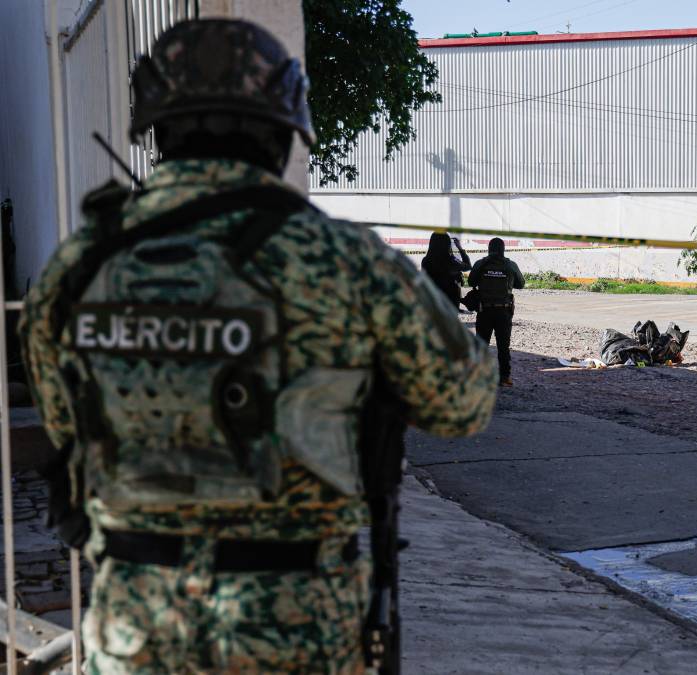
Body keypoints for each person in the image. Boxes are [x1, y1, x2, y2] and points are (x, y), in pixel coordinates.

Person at [18, 19, 496, 674]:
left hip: (134, 630)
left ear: (159, 131)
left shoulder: (77, 268)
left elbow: (65, 424)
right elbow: (464, 403)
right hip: (299, 631)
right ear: (281, 133)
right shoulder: (347, 260)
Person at [468, 237, 525, 387]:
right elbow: (521, 284)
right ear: (503, 249)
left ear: (489, 249)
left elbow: (471, 282)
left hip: (484, 310)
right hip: (503, 311)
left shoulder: (480, 263)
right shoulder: (510, 265)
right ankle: (504, 377)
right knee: (503, 346)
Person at [420, 232, 471, 310]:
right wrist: (460, 248)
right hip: (450, 304)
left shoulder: (425, 261)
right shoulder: (451, 261)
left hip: (432, 302)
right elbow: (468, 266)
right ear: (447, 244)